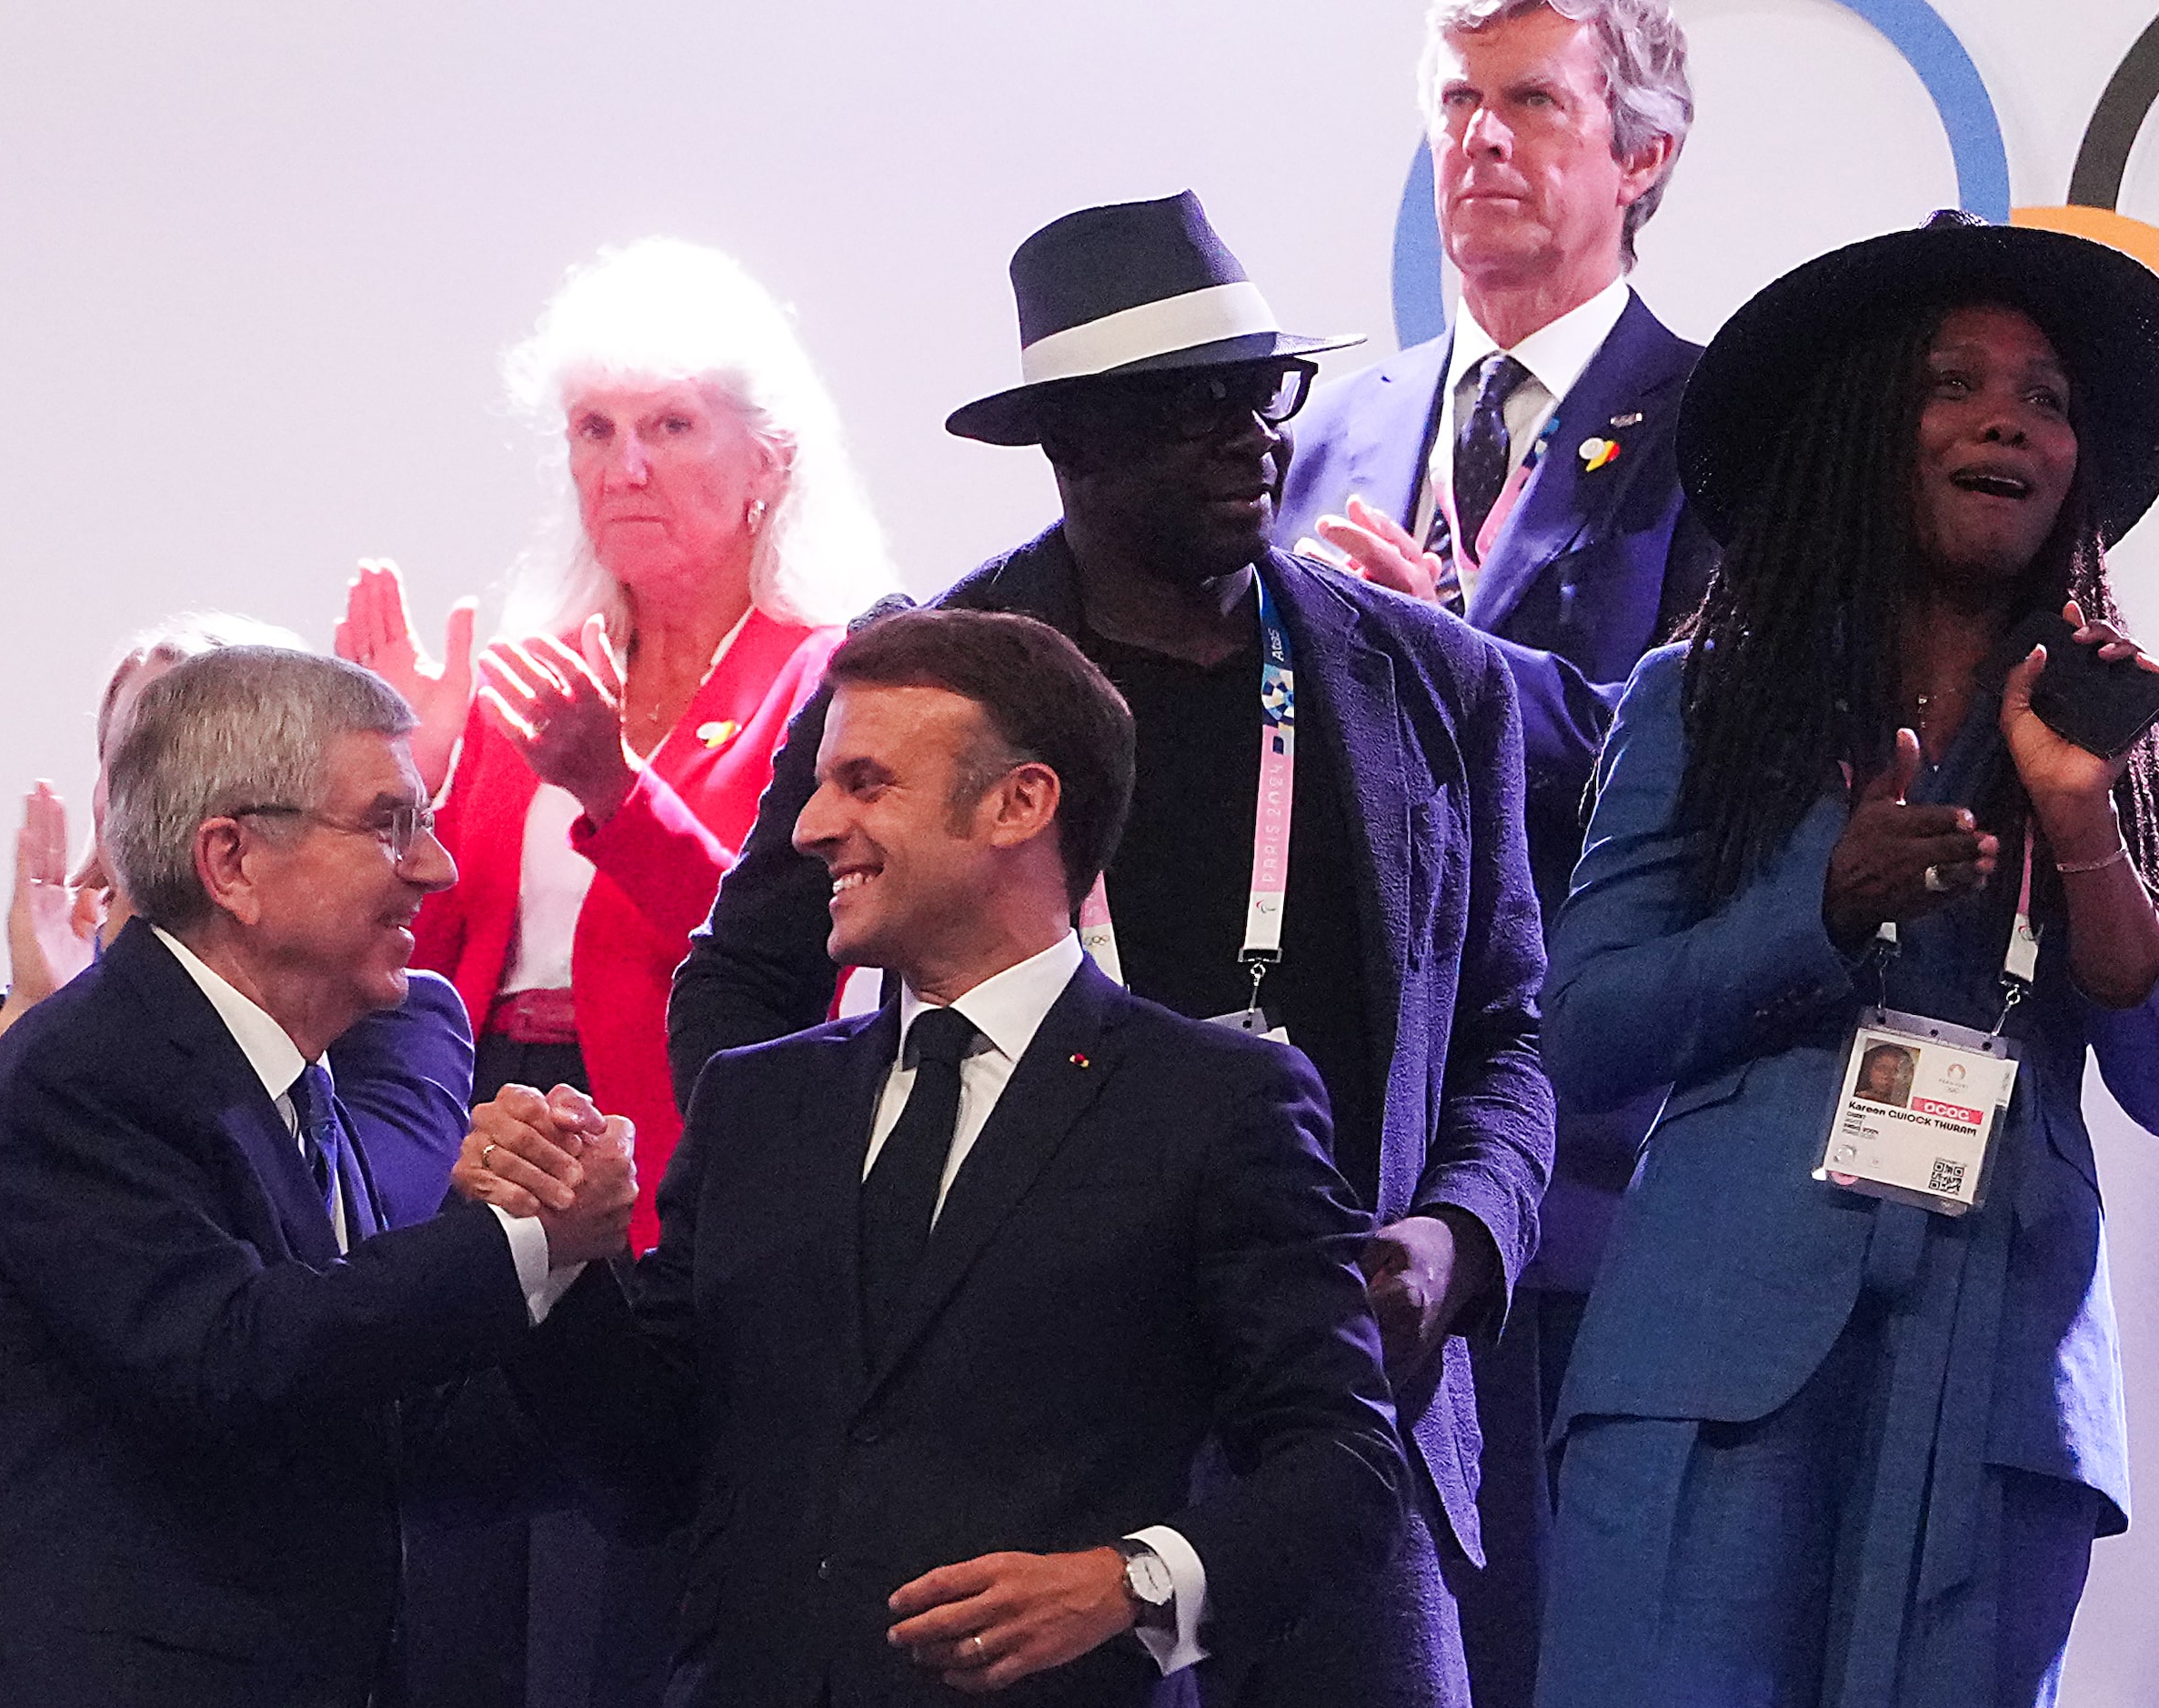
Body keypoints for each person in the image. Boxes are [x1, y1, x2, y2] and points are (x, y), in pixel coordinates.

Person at [668, 192, 1554, 1707]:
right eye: (1187, 405)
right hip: (1021, 1433)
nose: (1251, 437)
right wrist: (839, 1234)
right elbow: (742, 984)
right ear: (1069, 438)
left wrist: (1453, 1242)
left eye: (1260, 390)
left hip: (1338, 1403)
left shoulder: (1432, 684)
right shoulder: (929, 679)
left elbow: (1507, 1040)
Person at [463, 608, 1409, 1707]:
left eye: (866, 784)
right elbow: (652, 1475)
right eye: (821, 783)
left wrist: (1127, 1585)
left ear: (1022, 802)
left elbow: (1343, 1467)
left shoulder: (1215, 1103)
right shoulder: (760, 1101)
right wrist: (559, 1262)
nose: (813, 826)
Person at [1533, 213, 2159, 1707]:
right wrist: (1821, 910)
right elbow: (1583, 1031)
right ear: (1857, 429)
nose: (2005, 418)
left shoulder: (2139, 735)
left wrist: (2081, 821)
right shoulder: (1699, 701)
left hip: (1995, 1392)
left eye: (2044, 397)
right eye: (1950, 383)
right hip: (1706, 1367)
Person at [0, 648, 633, 1708]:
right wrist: (523, 1240)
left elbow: (374, 1423)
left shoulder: (297, 1077)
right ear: (232, 863)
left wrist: (558, 1252)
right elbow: (226, 1353)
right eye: (389, 823)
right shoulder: (90, 1066)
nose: (437, 867)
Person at [337, 236, 897, 1708]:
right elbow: (435, 951)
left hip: (673, 1156)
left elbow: (792, 942)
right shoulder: (531, 658)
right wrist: (400, 776)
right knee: (452, 1592)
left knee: (613, 1603)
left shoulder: (831, 669)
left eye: (667, 426)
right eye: (595, 429)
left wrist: (612, 789)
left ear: (765, 459)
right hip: (492, 1132)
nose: (625, 465)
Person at [1271, 5, 1706, 1692]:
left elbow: (1690, 759)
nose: (1482, 140)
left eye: (1533, 102)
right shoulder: (1327, 425)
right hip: (1343, 1142)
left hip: (1573, 1150)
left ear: (1640, 156)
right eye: (1457, 100)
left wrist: (1445, 646)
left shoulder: (1715, 423)